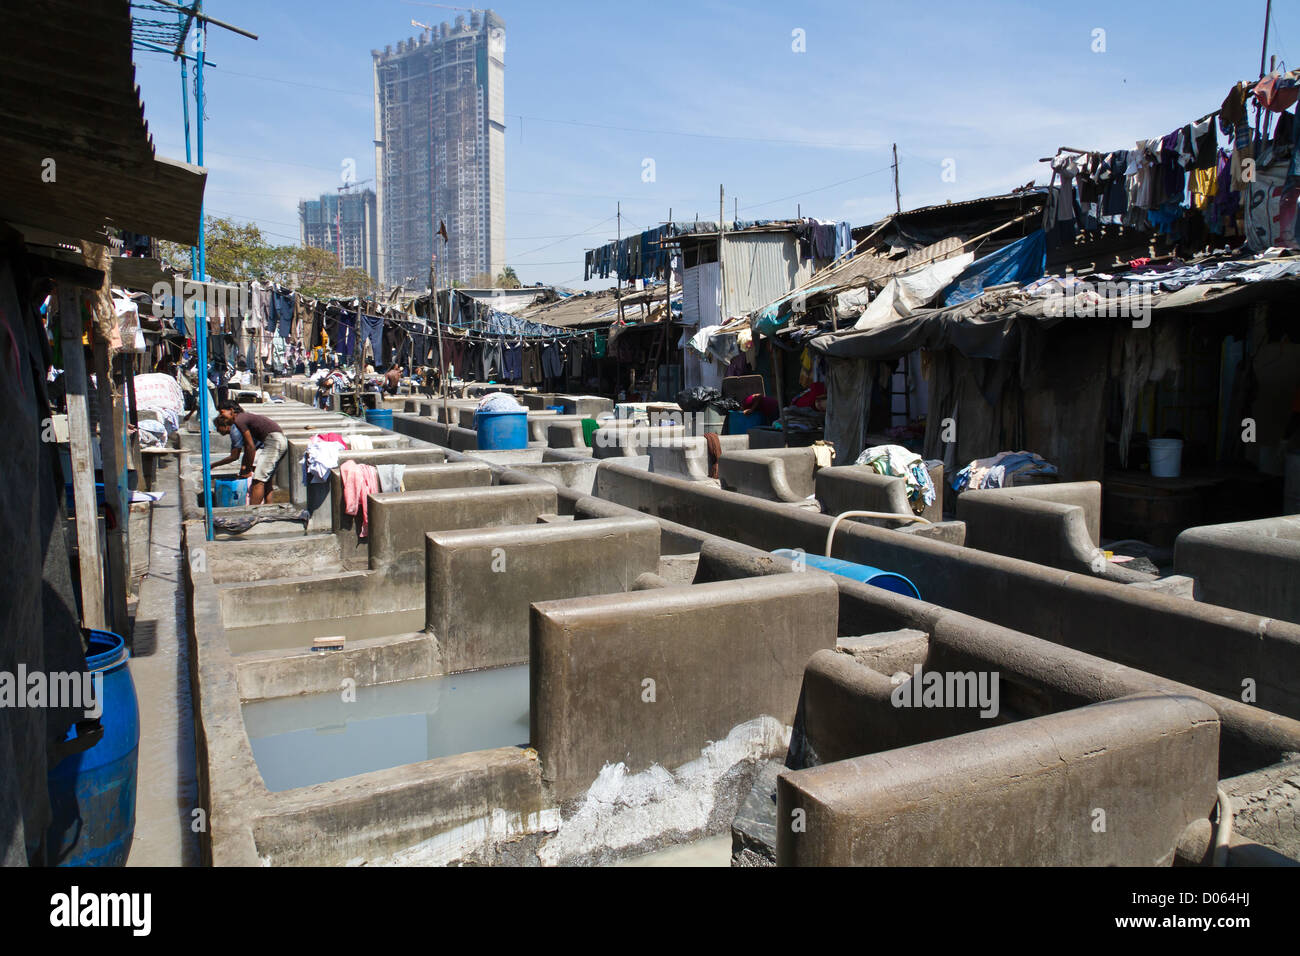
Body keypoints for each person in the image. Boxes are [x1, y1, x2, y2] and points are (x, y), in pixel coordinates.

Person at [215, 400, 287, 505]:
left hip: (274, 441)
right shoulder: (242, 417)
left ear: (231, 411)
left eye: (222, 413)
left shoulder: (239, 420)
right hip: (278, 440)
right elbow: (249, 448)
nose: (221, 416)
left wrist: (247, 469)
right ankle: (269, 507)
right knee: (266, 480)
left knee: (258, 480)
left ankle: (253, 512)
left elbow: (250, 447)